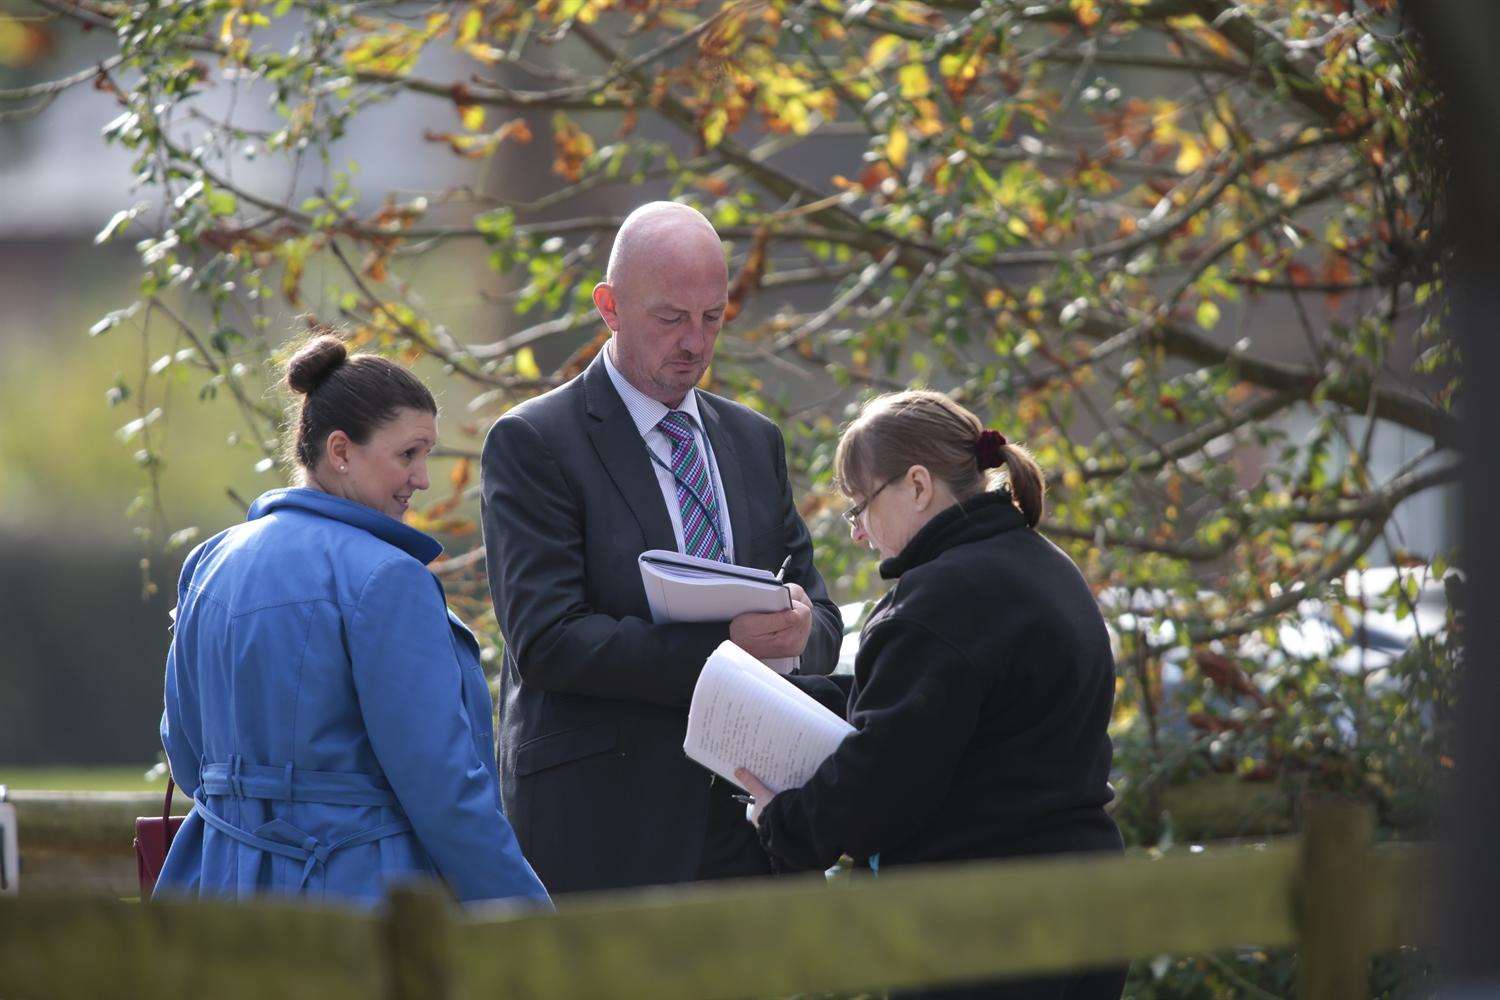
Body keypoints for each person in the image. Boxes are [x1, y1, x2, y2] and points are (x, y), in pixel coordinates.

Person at [481, 201, 843, 894]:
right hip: (607, 827)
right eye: (671, 317)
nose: (696, 341)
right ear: (609, 308)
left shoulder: (753, 440)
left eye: (713, 317)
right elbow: (547, 640)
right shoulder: (535, 442)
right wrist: (727, 652)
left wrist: (801, 630)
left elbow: (821, 617)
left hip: (749, 824)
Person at [737, 390, 1125, 1000]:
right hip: (1085, 908)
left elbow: (885, 779)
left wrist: (782, 822)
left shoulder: (938, 601)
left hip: (984, 933)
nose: (860, 533)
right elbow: (954, 716)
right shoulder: (1045, 565)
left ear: (918, 485)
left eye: (859, 506)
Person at [155, 336, 549, 908]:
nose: (423, 479)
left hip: (216, 890)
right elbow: (444, 792)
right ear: (341, 451)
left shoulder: (211, 561)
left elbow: (188, 757)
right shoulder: (387, 579)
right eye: (408, 454)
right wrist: (530, 921)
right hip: (355, 900)